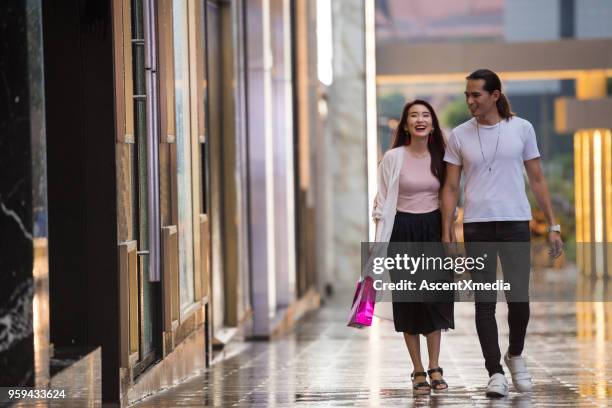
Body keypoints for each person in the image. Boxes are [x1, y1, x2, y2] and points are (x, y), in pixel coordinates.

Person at [441, 69, 563, 398]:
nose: (469, 101)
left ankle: (516, 354)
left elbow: (537, 179)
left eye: (475, 95)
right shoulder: (459, 135)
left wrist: (553, 225)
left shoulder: (522, 128)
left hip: (515, 223)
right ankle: (494, 371)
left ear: (494, 95)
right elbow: (451, 187)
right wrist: (447, 230)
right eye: (466, 95)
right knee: (484, 302)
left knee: (518, 299)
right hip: (477, 225)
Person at [372, 99, 454, 395]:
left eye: (425, 115)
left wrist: (448, 232)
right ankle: (418, 369)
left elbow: (450, 196)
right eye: (413, 116)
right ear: (405, 124)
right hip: (402, 232)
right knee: (409, 301)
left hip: (432, 229)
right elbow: (381, 202)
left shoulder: (442, 156)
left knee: (435, 299)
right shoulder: (393, 157)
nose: (420, 120)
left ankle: (435, 366)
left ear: (433, 123)